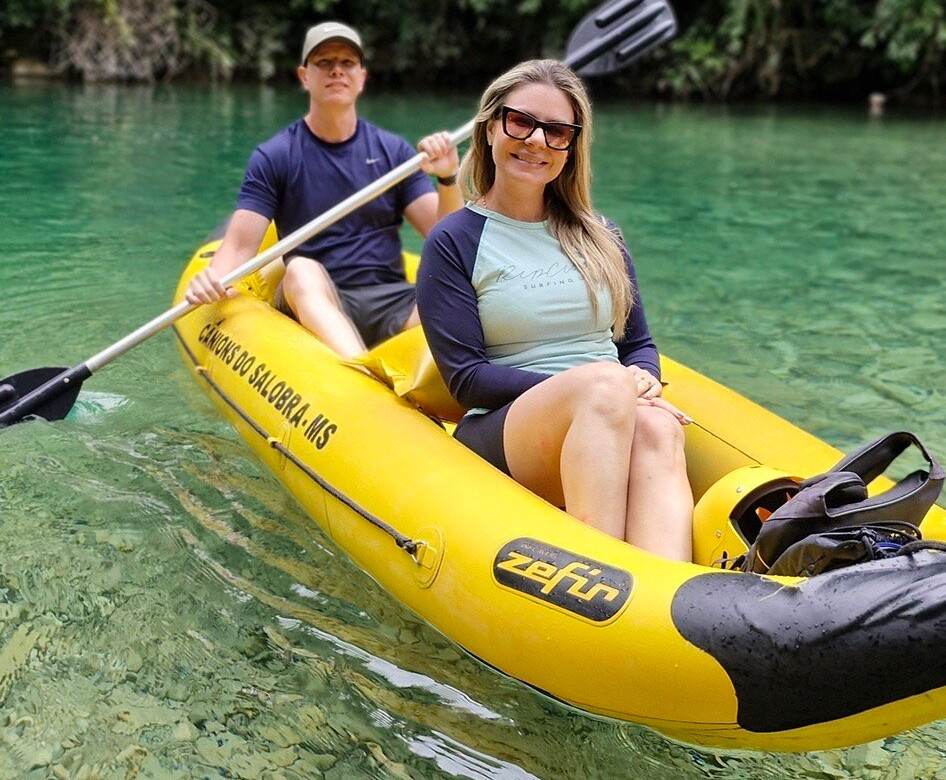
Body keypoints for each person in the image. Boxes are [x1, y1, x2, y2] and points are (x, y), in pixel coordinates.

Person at [416, 60, 693, 561]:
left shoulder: (601, 236)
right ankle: (600, 579)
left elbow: (637, 345)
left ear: (572, 147)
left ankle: (666, 595)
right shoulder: (453, 241)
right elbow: (466, 379)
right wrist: (598, 387)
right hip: (503, 427)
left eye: (557, 131)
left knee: (658, 426)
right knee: (607, 385)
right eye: (521, 122)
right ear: (491, 127)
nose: (537, 140)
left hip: (609, 406)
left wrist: (643, 378)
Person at [185, 21, 462, 357]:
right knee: (301, 268)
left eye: (347, 63)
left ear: (362, 77)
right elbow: (241, 247)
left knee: (456, 297)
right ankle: (361, 375)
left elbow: (444, 235)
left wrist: (448, 177)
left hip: (390, 298)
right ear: (304, 76)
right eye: (324, 63)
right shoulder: (276, 155)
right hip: (317, 293)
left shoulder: (395, 152)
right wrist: (212, 278)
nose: (337, 71)